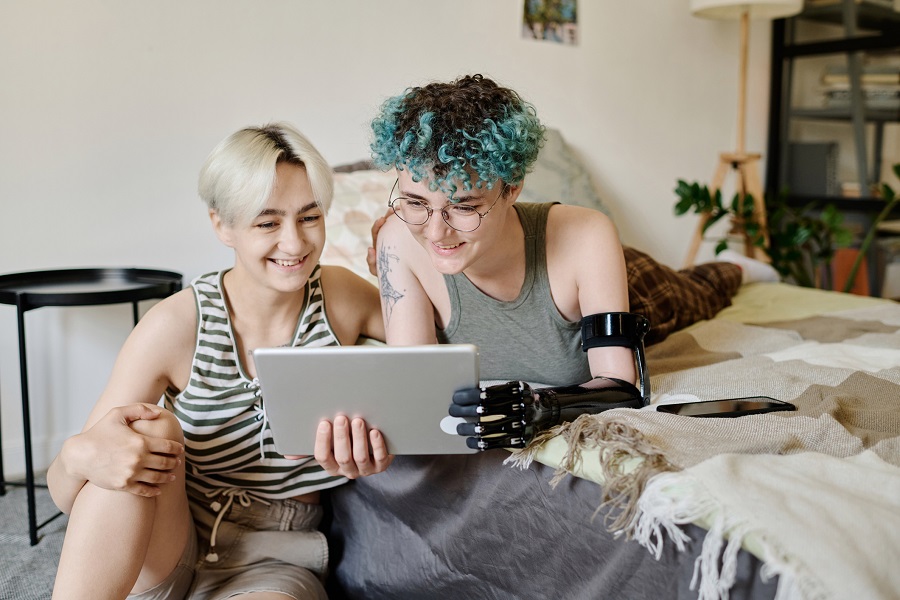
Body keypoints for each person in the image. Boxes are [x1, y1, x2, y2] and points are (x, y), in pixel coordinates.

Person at [321, 74, 779, 598]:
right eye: (416, 201)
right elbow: (411, 382)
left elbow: (623, 387)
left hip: (624, 287)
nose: (437, 232)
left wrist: (537, 406)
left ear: (511, 187)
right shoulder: (400, 238)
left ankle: (734, 268)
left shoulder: (587, 234)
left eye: (465, 205)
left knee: (692, 291)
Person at [46, 122, 390, 600]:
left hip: (274, 557)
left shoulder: (342, 297)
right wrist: (75, 454)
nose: (294, 243)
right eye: (267, 223)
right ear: (222, 224)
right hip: (170, 538)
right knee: (143, 433)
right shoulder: (175, 325)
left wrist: (402, 262)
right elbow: (73, 493)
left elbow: (436, 352)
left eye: (309, 217)